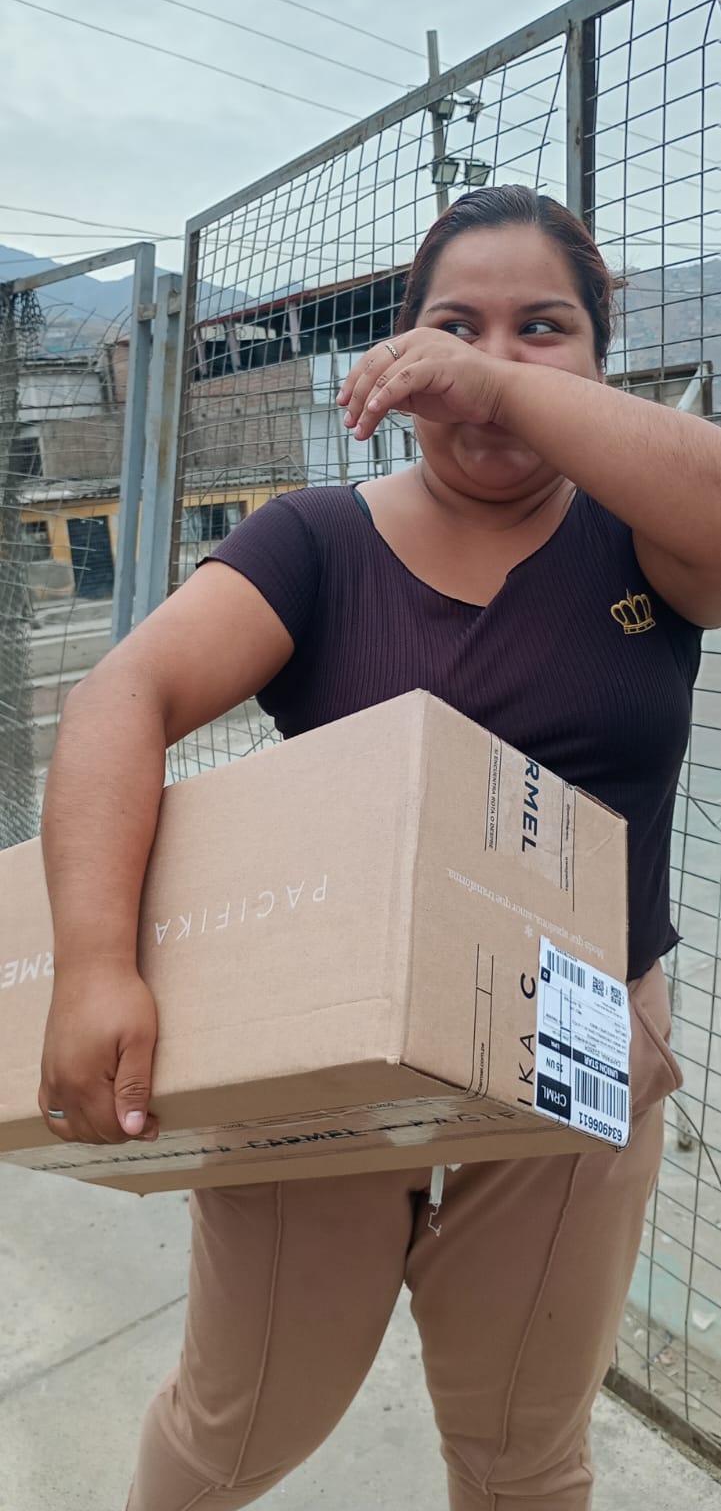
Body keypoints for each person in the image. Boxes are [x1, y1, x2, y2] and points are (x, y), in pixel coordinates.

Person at [38, 185, 721, 1511]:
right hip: (326, 1047)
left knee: (523, 1446)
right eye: (455, 326)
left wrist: (498, 386)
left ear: (598, 359)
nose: (492, 355)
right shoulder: (314, 542)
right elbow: (122, 698)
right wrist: (95, 964)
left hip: (579, 1043)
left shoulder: (649, 537)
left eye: (544, 327)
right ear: (399, 352)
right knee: (240, 1427)